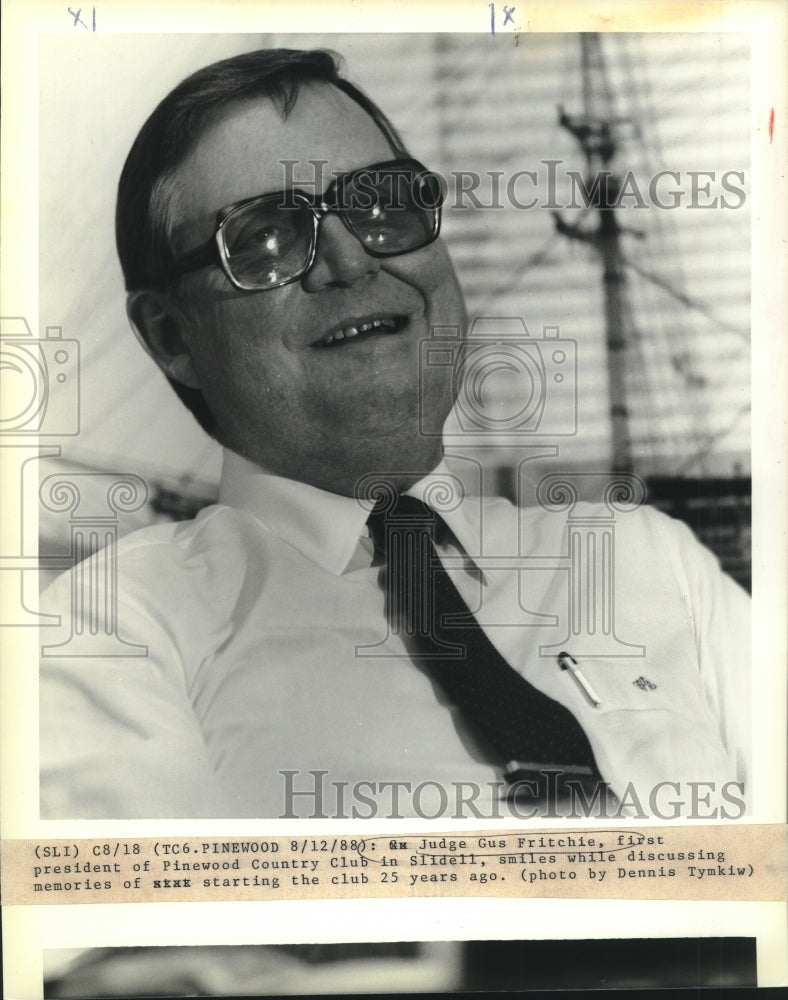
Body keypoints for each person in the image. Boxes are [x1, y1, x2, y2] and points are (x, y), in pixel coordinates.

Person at [40, 48, 750, 820]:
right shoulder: (115, 629)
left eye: (384, 205)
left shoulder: (651, 564)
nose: (349, 259)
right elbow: (159, 935)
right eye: (266, 238)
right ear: (172, 335)